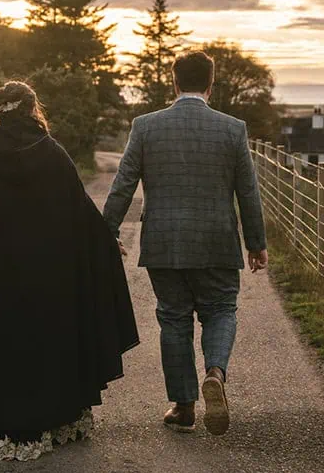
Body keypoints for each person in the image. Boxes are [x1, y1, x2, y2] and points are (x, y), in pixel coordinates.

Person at [0, 80, 139, 460]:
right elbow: (80, 212)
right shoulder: (53, 154)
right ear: (31, 108)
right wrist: (107, 242)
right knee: (41, 343)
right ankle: (47, 417)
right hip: (45, 278)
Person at [101, 50, 266, 435]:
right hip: (217, 241)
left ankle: (184, 406)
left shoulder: (145, 126)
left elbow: (123, 185)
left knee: (173, 319)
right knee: (221, 309)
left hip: (164, 242)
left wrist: (107, 232)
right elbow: (248, 192)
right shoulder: (232, 129)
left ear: (174, 83)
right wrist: (256, 243)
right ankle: (215, 373)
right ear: (211, 84)